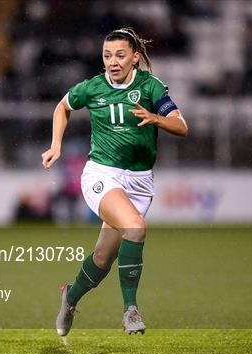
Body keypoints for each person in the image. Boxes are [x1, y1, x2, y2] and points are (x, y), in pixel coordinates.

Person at [41, 27, 188, 336]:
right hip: (101, 175)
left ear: (135, 58)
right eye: (107, 56)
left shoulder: (151, 87)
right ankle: (130, 310)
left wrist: (157, 118)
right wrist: (56, 145)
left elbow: (181, 125)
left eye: (120, 55)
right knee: (135, 227)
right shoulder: (93, 88)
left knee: (103, 258)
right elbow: (63, 107)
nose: (113, 62)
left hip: (139, 183)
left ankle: (70, 298)